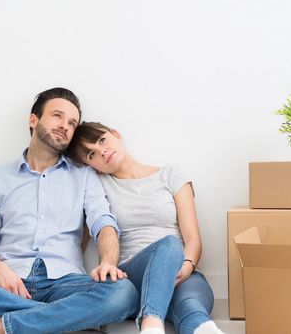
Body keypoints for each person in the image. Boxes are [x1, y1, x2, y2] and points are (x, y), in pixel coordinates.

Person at [0, 88, 138, 334]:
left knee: (123, 292)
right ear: (33, 120)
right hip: (6, 283)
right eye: (57, 116)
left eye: (71, 123)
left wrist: (108, 263)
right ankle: (63, 320)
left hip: (66, 284)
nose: (65, 126)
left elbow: (104, 224)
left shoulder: (85, 176)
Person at [66, 122, 225, 334]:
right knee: (168, 244)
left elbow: (192, 238)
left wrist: (186, 267)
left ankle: (202, 328)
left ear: (116, 134)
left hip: (182, 270)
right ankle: (151, 324)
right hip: (133, 278)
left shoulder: (171, 174)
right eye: (91, 155)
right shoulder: (98, 186)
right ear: (91, 165)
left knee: (192, 306)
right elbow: (81, 236)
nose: (102, 151)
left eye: (102, 140)